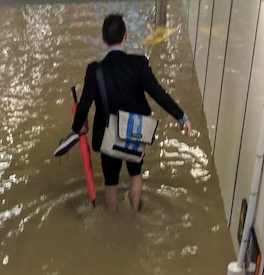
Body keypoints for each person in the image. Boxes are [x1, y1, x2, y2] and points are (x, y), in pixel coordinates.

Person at [70, 14, 191, 212]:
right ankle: (135, 212)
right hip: (135, 130)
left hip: (107, 135)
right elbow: (158, 94)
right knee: (135, 173)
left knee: (110, 182)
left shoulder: (95, 70)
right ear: (126, 35)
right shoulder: (138, 64)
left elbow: (84, 105)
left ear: (103, 39)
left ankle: (113, 220)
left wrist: (76, 129)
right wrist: (181, 117)